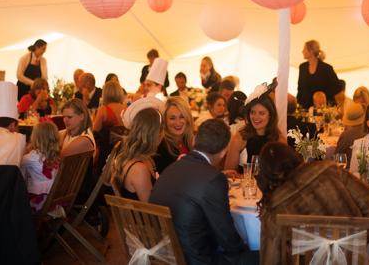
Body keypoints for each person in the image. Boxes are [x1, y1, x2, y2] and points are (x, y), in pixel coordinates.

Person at [257, 142, 369, 264]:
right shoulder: (329, 170)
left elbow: (271, 261)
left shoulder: (273, 207)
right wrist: (353, 242)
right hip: (353, 261)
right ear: (293, 156)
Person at [150, 119, 259, 265]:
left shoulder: (173, 168)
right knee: (263, 256)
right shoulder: (214, 179)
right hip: (195, 259)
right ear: (223, 152)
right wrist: (245, 249)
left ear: (195, 140)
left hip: (163, 253)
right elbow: (226, 237)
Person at [224, 84, 286, 171]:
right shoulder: (240, 137)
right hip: (244, 183)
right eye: (252, 112)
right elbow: (229, 172)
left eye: (261, 113)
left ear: (271, 115)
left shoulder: (279, 140)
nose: (256, 117)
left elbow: (283, 173)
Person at [111, 104, 163, 202]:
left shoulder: (146, 159)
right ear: (156, 134)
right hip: (142, 217)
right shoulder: (139, 168)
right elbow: (151, 208)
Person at [20, 121, 60, 211]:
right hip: (53, 198)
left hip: (39, 201)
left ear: (35, 137)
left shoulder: (32, 157)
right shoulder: (56, 154)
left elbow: (18, 164)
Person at [154, 97, 194, 174]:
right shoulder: (160, 147)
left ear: (187, 118)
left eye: (182, 117)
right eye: (172, 118)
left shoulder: (190, 141)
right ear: (165, 121)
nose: (178, 123)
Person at [296, 40, 340, 109]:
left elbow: (336, 88)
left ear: (311, 51)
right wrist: (298, 106)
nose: (302, 51)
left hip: (323, 109)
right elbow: (300, 88)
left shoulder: (327, 68)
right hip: (305, 108)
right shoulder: (302, 67)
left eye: (304, 49)